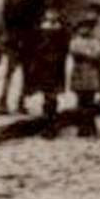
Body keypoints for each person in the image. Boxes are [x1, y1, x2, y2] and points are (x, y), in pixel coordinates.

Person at [0, 0, 44, 114]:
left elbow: (39, 20)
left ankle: (21, 101)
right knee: (9, 71)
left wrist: (36, 38)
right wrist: (9, 37)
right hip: (14, 40)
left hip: (30, 40)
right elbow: (5, 20)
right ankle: (3, 100)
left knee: (27, 73)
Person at [29, 8, 70, 138]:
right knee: (46, 95)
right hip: (43, 66)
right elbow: (35, 47)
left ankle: (52, 124)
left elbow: (65, 48)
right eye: (49, 14)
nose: (52, 16)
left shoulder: (62, 30)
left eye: (55, 13)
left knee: (53, 96)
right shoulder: (40, 30)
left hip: (56, 66)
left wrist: (58, 57)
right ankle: (47, 123)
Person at [67, 12, 100, 138]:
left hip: (91, 74)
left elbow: (97, 55)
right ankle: (82, 127)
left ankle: (91, 126)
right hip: (78, 74)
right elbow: (74, 52)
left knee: (90, 101)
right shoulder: (75, 41)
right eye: (82, 28)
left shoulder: (95, 42)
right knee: (80, 101)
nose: (85, 30)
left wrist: (85, 55)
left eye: (87, 28)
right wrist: (88, 55)